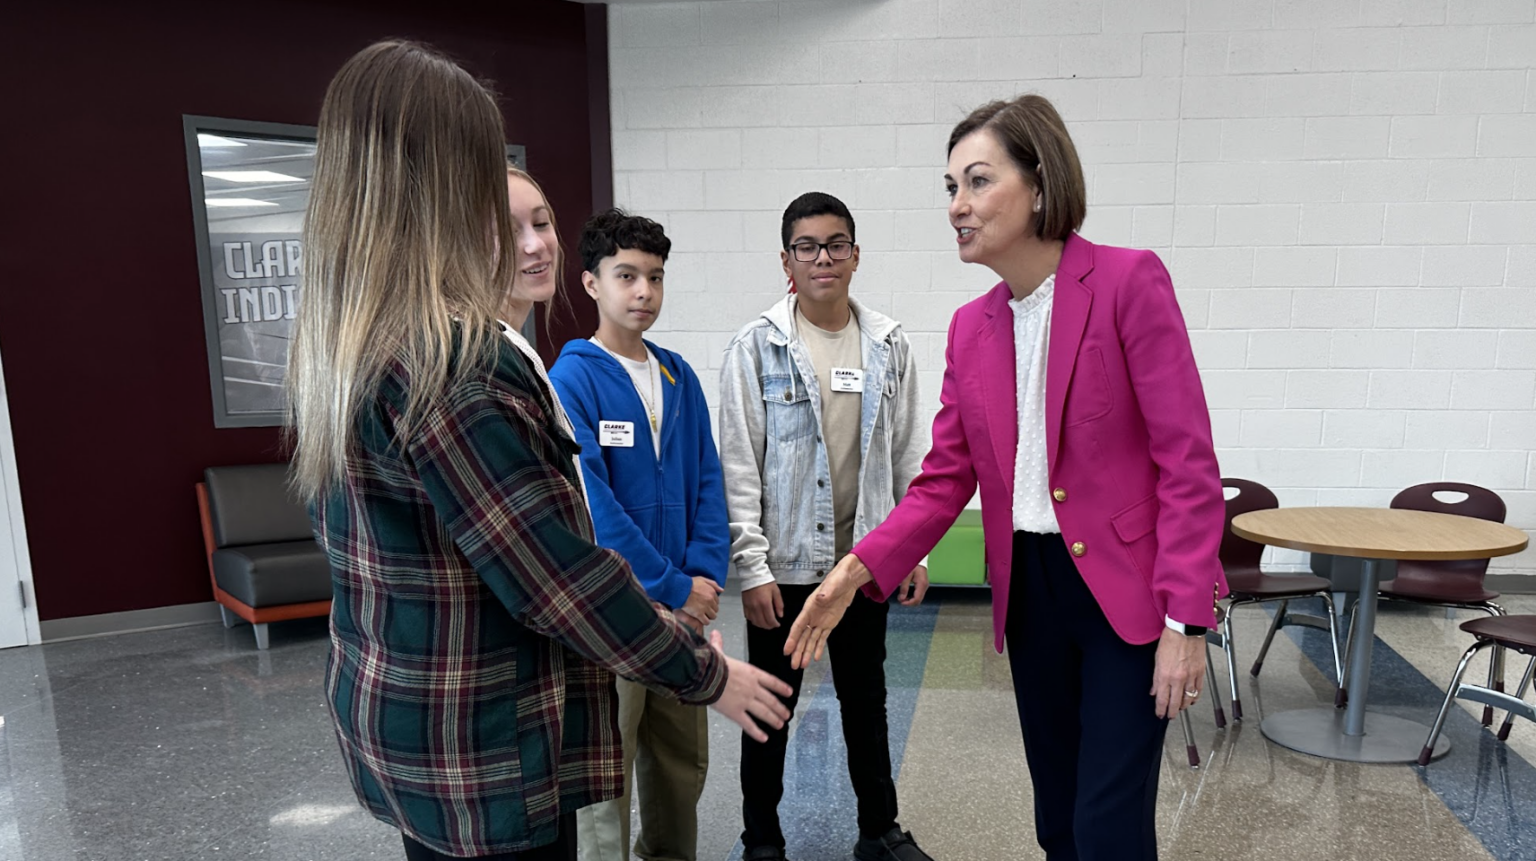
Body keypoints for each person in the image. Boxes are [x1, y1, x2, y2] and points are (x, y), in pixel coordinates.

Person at [286, 40, 792, 861]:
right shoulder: (452, 368)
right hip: (485, 746)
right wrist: (704, 669)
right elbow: (557, 577)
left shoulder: (352, 343)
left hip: (420, 723)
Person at [784, 94, 1226, 861]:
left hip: (1126, 593)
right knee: (1056, 819)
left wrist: (1187, 623)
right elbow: (943, 480)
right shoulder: (972, 326)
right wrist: (853, 571)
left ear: (1042, 183)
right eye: (950, 187)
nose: (957, 205)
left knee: (1107, 827)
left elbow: (1187, 464)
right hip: (1031, 594)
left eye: (977, 181)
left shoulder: (1127, 282)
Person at [720, 192, 935, 861]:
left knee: (867, 702)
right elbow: (739, 465)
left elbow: (908, 455)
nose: (823, 258)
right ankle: (762, 838)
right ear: (787, 259)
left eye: (836, 244)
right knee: (770, 710)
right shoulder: (756, 347)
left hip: (864, 565)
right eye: (807, 246)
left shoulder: (889, 344)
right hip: (783, 568)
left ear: (855, 255)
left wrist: (910, 552)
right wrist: (751, 569)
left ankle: (879, 830)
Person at [547, 208, 728, 861]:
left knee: (681, 760)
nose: (643, 291)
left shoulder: (679, 375)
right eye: (626, 275)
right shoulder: (571, 379)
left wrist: (704, 578)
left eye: (654, 276)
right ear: (592, 282)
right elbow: (594, 505)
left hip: (684, 612)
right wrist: (672, 585)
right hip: (614, 614)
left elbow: (708, 479)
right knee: (609, 766)